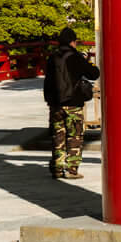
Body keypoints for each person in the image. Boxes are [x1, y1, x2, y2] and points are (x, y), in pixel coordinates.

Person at [43, 26, 98, 181]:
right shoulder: (75, 56)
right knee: (74, 136)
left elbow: (47, 81)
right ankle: (72, 169)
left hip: (55, 105)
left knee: (57, 136)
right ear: (73, 42)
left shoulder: (52, 57)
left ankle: (57, 169)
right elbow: (94, 73)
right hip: (73, 104)